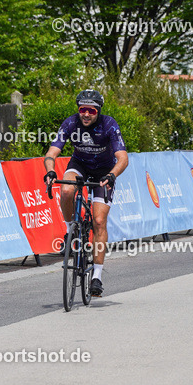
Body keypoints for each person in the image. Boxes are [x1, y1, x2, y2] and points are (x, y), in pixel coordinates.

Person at [43, 89, 128, 298]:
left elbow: (123, 158)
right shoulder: (71, 123)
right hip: (79, 165)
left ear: (98, 111)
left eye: (91, 110)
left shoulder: (109, 124)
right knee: (66, 189)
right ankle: (70, 229)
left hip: (103, 172)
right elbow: (51, 153)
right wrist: (50, 171)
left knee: (99, 221)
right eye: (83, 109)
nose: (86, 114)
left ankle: (97, 277)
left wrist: (112, 175)